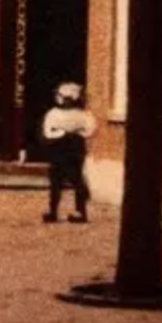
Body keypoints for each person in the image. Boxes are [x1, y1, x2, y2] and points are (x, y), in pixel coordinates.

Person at [41, 83, 96, 223]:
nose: (65, 101)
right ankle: (53, 210)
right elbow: (47, 132)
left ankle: (80, 211)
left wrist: (76, 133)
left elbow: (90, 130)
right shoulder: (53, 113)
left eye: (67, 98)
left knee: (76, 180)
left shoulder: (83, 115)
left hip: (74, 150)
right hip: (58, 150)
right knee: (55, 182)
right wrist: (63, 133)